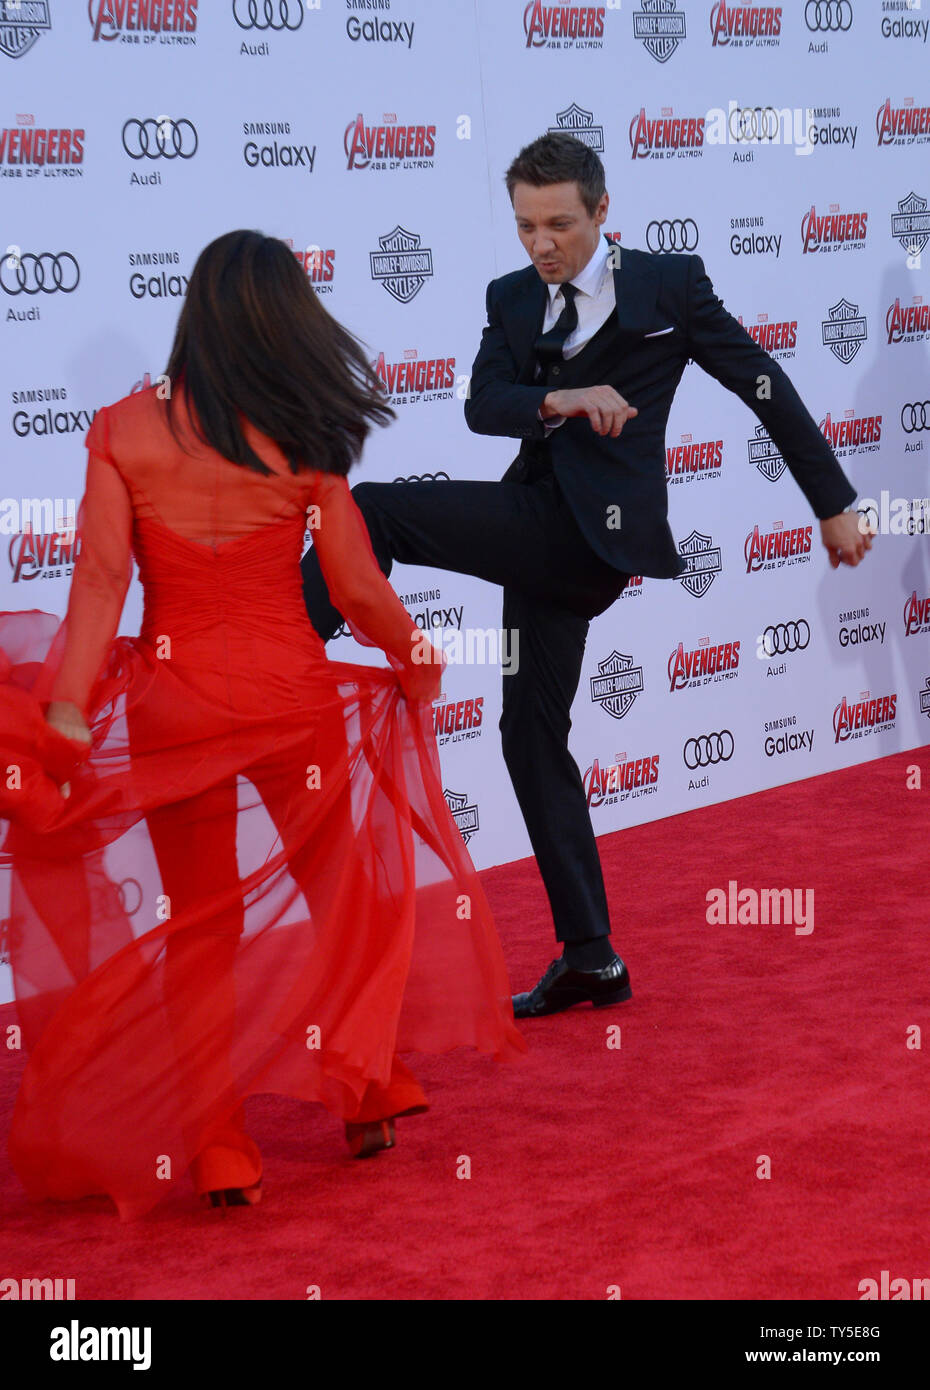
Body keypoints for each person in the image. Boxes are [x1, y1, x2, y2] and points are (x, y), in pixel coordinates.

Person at [0, 229, 525, 1223]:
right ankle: (366, 1090)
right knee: (346, 898)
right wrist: (413, 655)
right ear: (287, 317)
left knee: (203, 933)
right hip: (293, 701)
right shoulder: (306, 431)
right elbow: (358, 587)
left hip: (173, 705)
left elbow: (101, 585)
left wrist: (65, 713)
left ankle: (218, 1147)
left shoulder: (122, 428)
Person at [301, 133, 872, 1021]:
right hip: (541, 535)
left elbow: (761, 384)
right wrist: (559, 399)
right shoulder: (511, 297)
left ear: (603, 214)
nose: (542, 243)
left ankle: (284, 651)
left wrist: (830, 502)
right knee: (529, 738)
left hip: (589, 540)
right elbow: (486, 405)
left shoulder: (668, 287)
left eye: (560, 223)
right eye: (527, 224)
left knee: (374, 511)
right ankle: (593, 956)